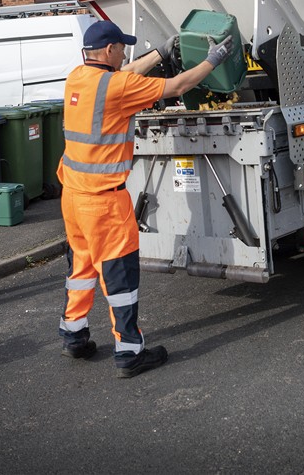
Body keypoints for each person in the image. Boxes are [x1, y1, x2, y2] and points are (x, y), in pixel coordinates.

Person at [57, 21, 234, 378]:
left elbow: (123, 75)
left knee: (82, 267)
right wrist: (215, 58)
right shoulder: (117, 86)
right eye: (122, 47)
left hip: (73, 195)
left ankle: (73, 334)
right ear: (109, 51)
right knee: (119, 275)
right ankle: (129, 352)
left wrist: (160, 53)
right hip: (104, 203)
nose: (125, 54)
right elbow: (179, 85)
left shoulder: (77, 77)